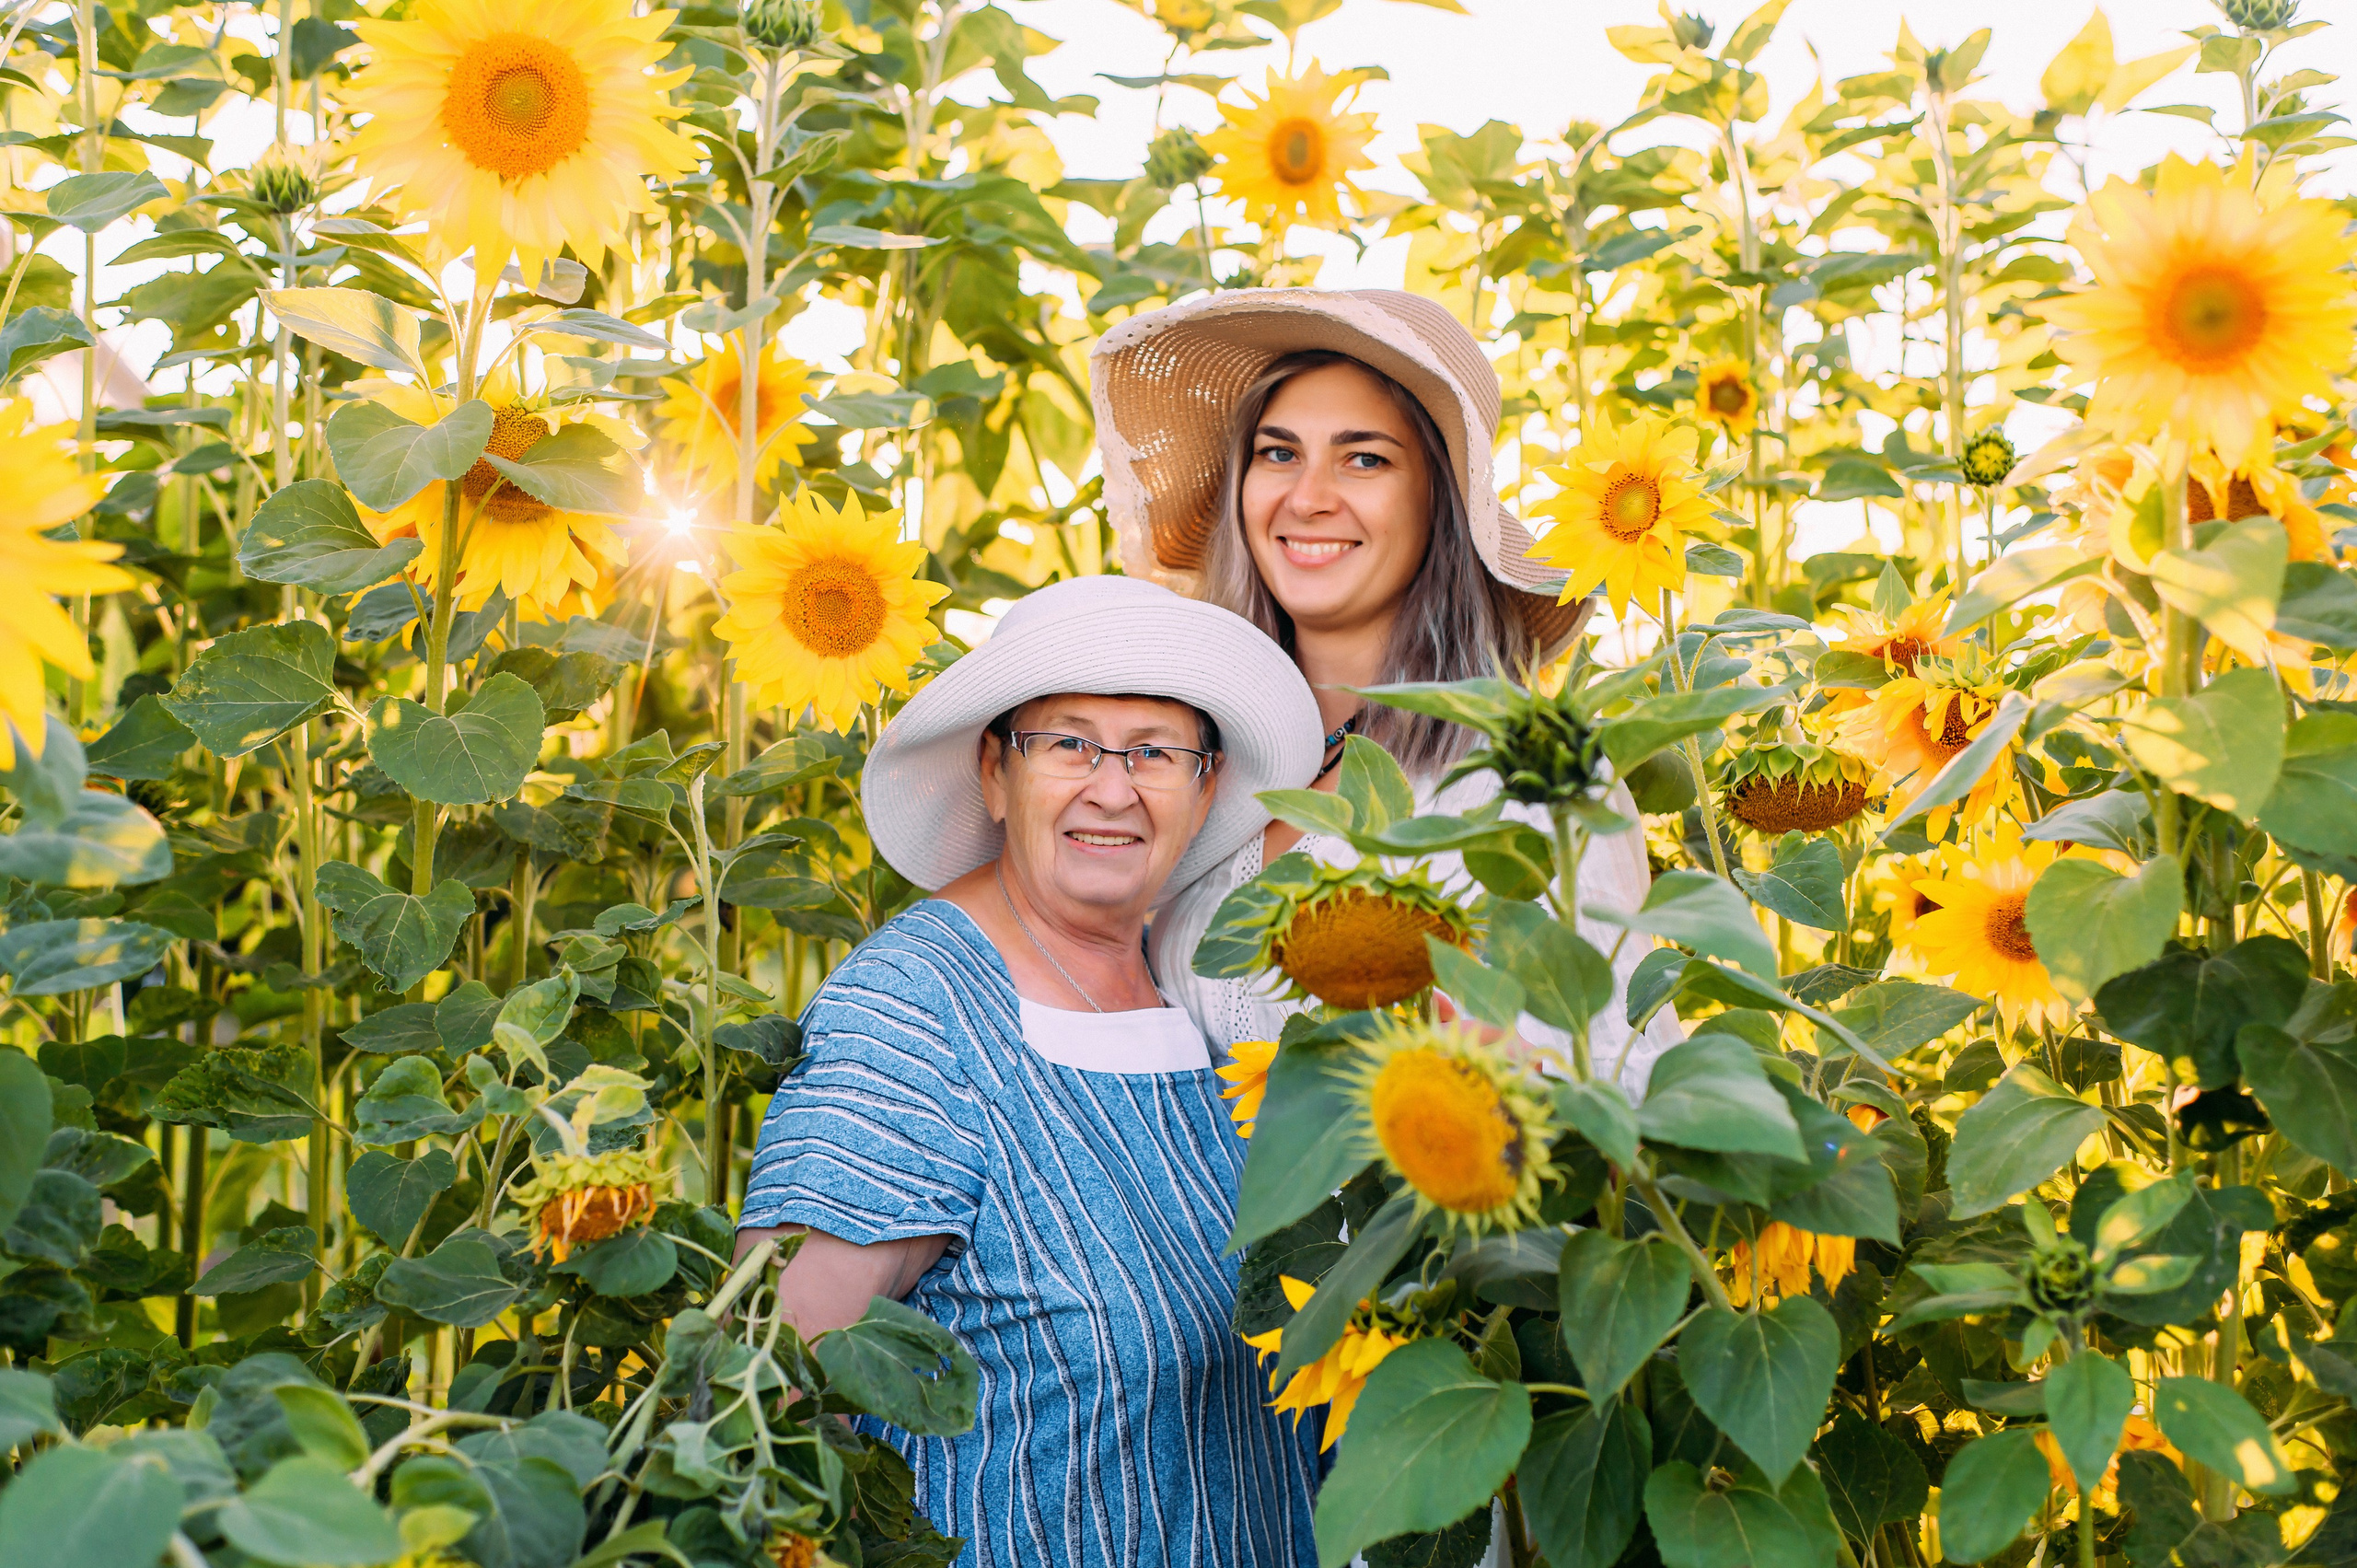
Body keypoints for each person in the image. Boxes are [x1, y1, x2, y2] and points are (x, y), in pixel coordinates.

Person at [737, 574, 1327, 1567]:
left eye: (1155, 751)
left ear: (1206, 786)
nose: (1113, 785)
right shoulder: (918, 1011)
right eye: (1067, 742)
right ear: (994, 772)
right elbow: (759, 1393)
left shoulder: (1191, 1009)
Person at [1091, 288, 1683, 1088]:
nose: (1308, 497)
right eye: (1278, 452)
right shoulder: (1193, 755)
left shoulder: (1527, 772)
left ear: (1441, 501)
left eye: (1364, 457)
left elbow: (1620, 1074)